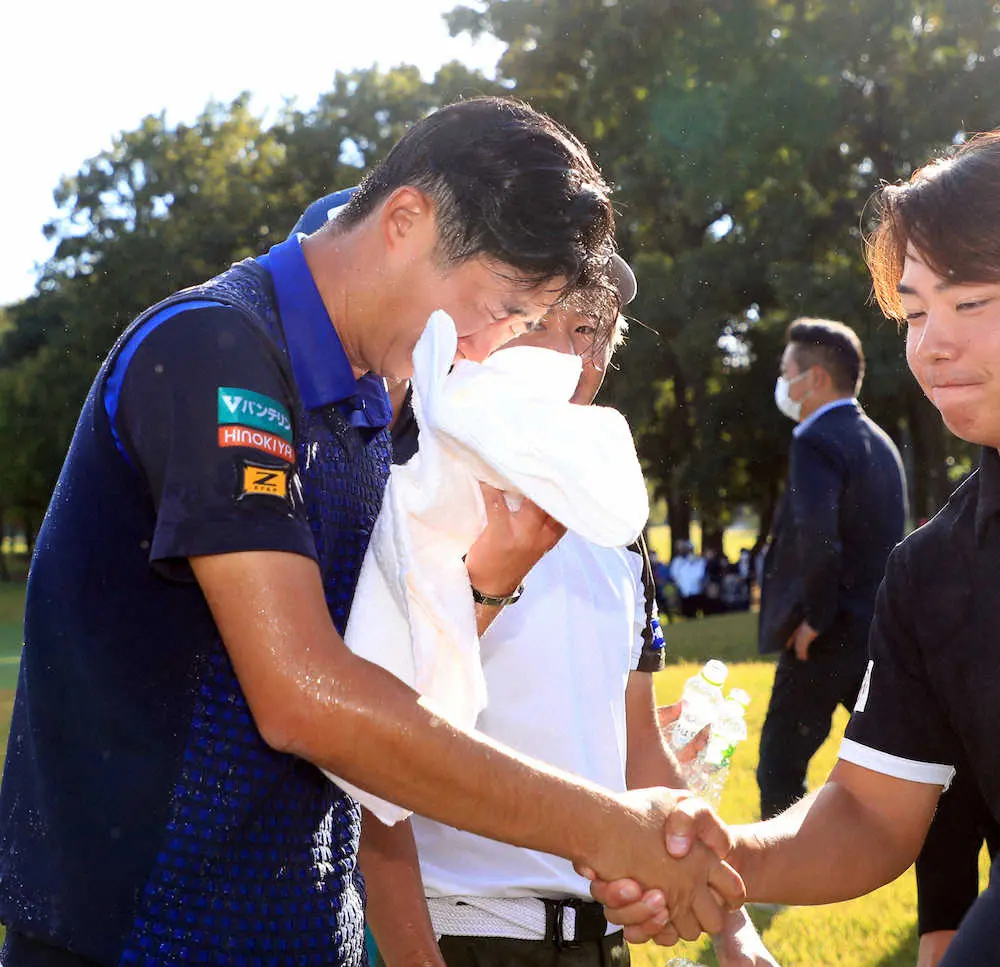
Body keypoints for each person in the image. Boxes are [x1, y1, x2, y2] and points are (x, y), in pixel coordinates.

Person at [0, 96, 743, 967]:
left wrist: (483, 584)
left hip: (305, 936)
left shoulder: (379, 407)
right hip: (138, 937)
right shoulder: (216, 351)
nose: (484, 351)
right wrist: (604, 825)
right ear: (404, 221)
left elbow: (387, 686)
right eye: (497, 309)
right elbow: (305, 696)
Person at [590, 129, 1000, 966]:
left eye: (971, 302)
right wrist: (713, 854)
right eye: (916, 311)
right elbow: (873, 810)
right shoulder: (933, 569)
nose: (932, 343)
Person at [362, 265, 777, 967]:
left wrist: (733, 928)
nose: (565, 357)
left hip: (600, 942)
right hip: (457, 931)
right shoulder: (413, 483)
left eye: (586, 329)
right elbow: (368, 747)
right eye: (535, 322)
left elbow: (638, 747)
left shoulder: (615, 522)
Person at [756, 318, 907, 820]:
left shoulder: (814, 440)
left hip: (824, 635)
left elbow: (818, 540)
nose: (782, 383)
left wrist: (815, 619)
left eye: (787, 373)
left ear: (815, 378)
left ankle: (783, 861)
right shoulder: (880, 443)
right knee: (900, 761)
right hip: (874, 631)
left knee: (779, 767)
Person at [669, 541, 707, 618]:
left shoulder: (699, 560)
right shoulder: (677, 561)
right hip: (683, 591)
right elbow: (674, 575)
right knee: (687, 613)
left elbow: (701, 573)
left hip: (697, 591)